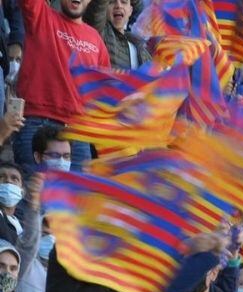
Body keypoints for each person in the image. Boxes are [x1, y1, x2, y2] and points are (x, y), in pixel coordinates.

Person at [12, 0, 110, 174]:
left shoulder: (96, 39)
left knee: (76, 199)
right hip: (36, 122)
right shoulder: (40, 15)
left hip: (78, 134)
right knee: (35, 195)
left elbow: (103, 94)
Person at [83, 0, 149, 70]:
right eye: (111, 2)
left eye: (124, 2)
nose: (118, 6)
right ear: (104, 9)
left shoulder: (140, 47)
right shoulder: (100, 31)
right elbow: (96, 9)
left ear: (130, 10)